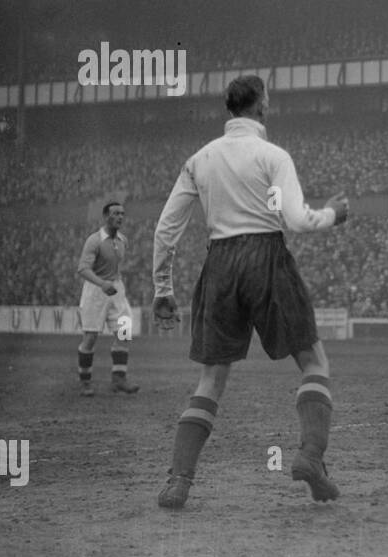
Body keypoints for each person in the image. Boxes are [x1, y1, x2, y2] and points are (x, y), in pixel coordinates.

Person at [151, 76, 349, 509]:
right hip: (266, 256)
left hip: (219, 262)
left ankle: (179, 481)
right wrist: (334, 213)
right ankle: (311, 458)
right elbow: (297, 220)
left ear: (229, 108)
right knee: (313, 361)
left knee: (211, 377)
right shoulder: (273, 156)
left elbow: (167, 228)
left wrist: (162, 287)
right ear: (262, 105)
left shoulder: (198, 160)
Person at [75, 201, 138, 396]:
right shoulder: (94, 240)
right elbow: (83, 269)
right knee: (91, 337)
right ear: (105, 217)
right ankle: (86, 382)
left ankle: (119, 378)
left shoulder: (123, 240)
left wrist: (114, 281)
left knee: (125, 330)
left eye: (122, 214)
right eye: (116, 213)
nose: (120, 217)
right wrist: (102, 283)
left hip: (116, 289)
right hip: (96, 290)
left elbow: (115, 265)